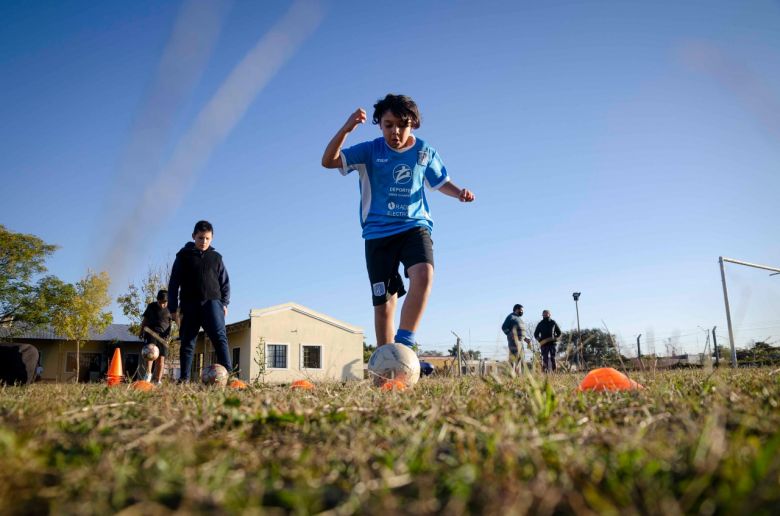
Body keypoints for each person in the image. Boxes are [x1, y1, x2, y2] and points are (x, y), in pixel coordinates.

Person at [321, 94, 475, 349]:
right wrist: (346, 129)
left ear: (413, 124)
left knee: (424, 274)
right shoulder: (369, 151)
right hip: (378, 234)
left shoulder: (424, 151)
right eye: (389, 125)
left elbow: (440, 181)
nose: (395, 131)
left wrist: (458, 192)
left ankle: (403, 345)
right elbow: (328, 161)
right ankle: (384, 366)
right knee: (384, 304)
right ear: (380, 124)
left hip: (414, 226)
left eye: (402, 125)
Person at [168, 220, 232, 382]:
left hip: (213, 304)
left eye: (207, 239)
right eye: (200, 238)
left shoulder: (216, 257)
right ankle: (184, 379)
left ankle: (230, 378)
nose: (204, 242)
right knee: (188, 342)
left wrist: (224, 303)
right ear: (193, 236)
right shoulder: (183, 256)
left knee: (220, 339)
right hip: (190, 305)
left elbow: (225, 282)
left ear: (212, 238)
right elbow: (174, 283)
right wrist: (173, 309)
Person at [139, 289, 172, 384]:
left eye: (164, 302)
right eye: (160, 302)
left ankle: (158, 380)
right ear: (157, 300)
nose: (162, 305)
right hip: (151, 334)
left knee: (161, 359)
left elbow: (174, 320)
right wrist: (141, 331)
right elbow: (145, 320)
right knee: (150, 355)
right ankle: (148, 374)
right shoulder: (151, 306)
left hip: (164, 337)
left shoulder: (171, 308)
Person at [502, 304, 530, 368]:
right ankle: (511, 374)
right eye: (521, 310)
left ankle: (517, 375)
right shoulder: (511, 317)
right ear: (517, 309)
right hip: (514, 341)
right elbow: (504, 327)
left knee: (520, 358)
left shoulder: (519, 319)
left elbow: (520, 331)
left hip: (521, 342)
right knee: (513, 358)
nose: (522, 312)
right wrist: (510, 334)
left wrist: (525, 339)